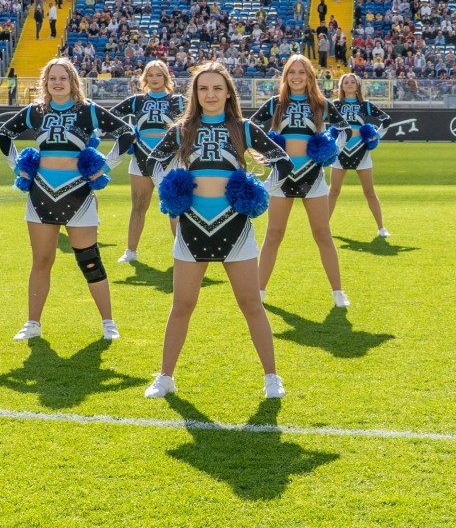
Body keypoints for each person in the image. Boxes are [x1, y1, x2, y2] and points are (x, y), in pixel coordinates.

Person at [144, 62, 294, 401]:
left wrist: (258, 192)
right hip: (192, 225)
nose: (210, 94)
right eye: (203, 89)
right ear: (195, 94)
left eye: (216, 88)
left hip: (235, 226)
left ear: (228, 93)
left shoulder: (243, 128)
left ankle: (272, 377)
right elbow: (152, 162)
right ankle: (165, 377)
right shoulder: (182, 129)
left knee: (251, 303)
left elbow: (283, 162)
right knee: (182, 304)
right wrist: (170, 189)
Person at [0, 58, 134, 341]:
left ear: (73, 82)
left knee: (90, 260)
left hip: (78, 194)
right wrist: (18, 167)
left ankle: (108, 323)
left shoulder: (88, 110)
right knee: (41, 261)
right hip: (40, 194)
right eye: (52, 78)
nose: (57, 83)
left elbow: (127, 134)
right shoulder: (36, 111)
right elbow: (4, 134)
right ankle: (33, 323)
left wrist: (105, 167)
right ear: (45, 83)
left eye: (63, 78)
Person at [254, 55, 350, 307]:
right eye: (292, 72)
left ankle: (338, 292)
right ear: (285, 76)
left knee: (322, 234)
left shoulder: (321, 104)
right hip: (281, 177)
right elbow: (250, 128)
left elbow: (345, 130)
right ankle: (259, 292)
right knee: (274, 234)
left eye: (302, 72)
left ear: (309, 76)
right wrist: (265, 153)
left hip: (313, 176)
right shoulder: (276, 103)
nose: (296, 77)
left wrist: (330, 151)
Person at [109, 60, 188, 264]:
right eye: (150, 75)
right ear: (145, 78)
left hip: (171, 159)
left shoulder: (179, 101)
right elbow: (109, 118)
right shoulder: (136, 100)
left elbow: (196, 119)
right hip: (141, 158)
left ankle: (183, 251)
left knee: (174, 207)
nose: (154, 79)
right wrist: (128, 134)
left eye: (159, 75)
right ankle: (131, 251)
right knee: (139, 206)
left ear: (166, 77)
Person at [326, 72, 393, 237]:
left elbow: (386, 119)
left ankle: (381, 228)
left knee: (369, 192)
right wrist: (325, 139)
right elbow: (319, 120)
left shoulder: (365, 105)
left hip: (361, 151)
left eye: (352, 82)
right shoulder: (334, 105)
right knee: (333, 191)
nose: (349, 84)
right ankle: (323, 227)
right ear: (341, 86)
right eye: (346, 82)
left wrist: (376, 135)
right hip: (340, 152)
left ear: (357, 86)